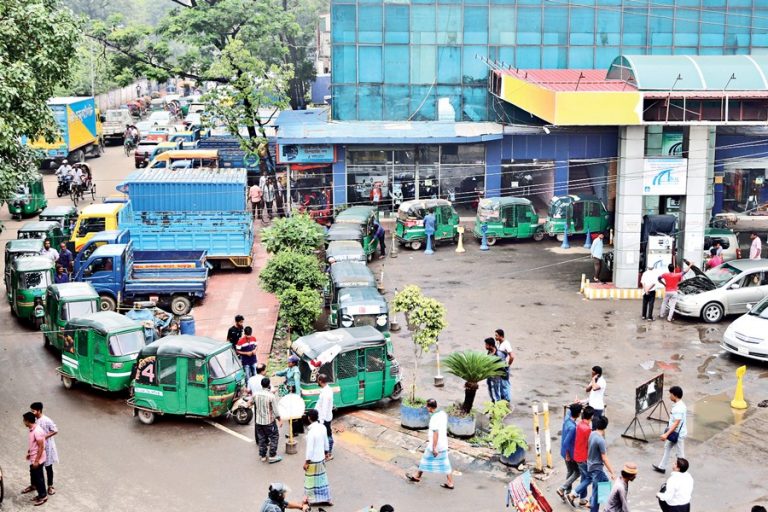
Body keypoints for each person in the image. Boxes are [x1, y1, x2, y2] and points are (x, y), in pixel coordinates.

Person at [406, 399, 454, 490]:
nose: (426, 408)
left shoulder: (434, 419)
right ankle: (450, 482)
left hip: (436, 444)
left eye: (427, 406)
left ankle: (417, 476)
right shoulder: (443, 413)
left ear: (429, 407)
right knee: (445, 463)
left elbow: (436, 433)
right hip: (443, 442)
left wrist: (434, 447)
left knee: (425, 459)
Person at [653, 386, 687, 474]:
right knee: (667, 447)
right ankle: (662, 467)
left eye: (670, 394)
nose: (669, 396)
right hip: (673, 433)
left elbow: (676, 423)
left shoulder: (678, 408)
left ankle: (682, 472)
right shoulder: (680, 405)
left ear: (675, 395)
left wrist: (666, 434)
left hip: (677, 435)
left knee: (680, 455)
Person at [585, 415, 615, 512]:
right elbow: (604, 458)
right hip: (597, 468)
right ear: (605, 426)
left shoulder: (592, 433)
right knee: (597, 490)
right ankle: (593, 504)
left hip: (590, 465)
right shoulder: (601, 440)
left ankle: (595, 502)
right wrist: (612, 472)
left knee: (602, 484)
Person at [250, 377, 282, 464]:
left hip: (258, 422)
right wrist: (280, 419)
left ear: (261, 385)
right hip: (269, 422)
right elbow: (276, 411)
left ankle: (263, 456)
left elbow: (250, 403)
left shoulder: (255, 394)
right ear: (269, 385)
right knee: (274, 437)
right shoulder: (271, 396)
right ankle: (272, 456)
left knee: (262, 438)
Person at [567, 406, 594, 508]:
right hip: (583, 457)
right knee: (589, 478)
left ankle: (582, 499)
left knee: (584, 476)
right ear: (591, 416)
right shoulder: (588, 429)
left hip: (577, 454)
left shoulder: (580, 424)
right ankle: (573, 494)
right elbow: (589, 445)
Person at [304, 409, 332, 506]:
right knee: (322, 480)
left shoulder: (311, 432)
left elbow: (310, 449)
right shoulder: (322, 427)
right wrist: (327, 452)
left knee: (310, 481)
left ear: (309, 418)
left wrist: (306, 462)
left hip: (313, 461)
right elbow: (326, 441)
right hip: (321, 459)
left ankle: (310, 500)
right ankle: (326, 499)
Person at [30, 402, 58, 496]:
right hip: (37, 447)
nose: (32, 412)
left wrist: (44, 437)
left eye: (33, 411)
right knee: (34, 466)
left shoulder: (47, 420)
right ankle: (33, 485)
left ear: (39, 410)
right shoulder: (34, 419)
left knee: (48, 467)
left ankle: (50, 486)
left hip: (47, 446)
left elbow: (55, 430)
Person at [556, 402, 583, 502]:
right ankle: (562, 488)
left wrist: (576, 402)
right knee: (577, 472)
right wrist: (568, 455)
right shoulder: (573, 428)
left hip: (564, 452)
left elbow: (569, 410)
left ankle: (567, 492)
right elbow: (566, 442)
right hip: (569, 453)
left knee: (570, 471)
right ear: (579, 414)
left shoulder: (567, 418)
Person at [22, 411, 48, 506]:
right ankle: (35, 487)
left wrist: (37, 461)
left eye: (24, 420)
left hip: (38, 459)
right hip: (33, 457)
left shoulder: (37, 431)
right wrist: (29, 452)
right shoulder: (32, 429)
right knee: (33, 473)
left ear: (28, 421)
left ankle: (43, 496)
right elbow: (34, 444)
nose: (23, 422)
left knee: (39, 478)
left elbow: (41, 447)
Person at [276, 355, 304, 435]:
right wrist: (275, 373)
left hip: (293, 393)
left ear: (294, 363)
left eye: (289, 362)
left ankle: (294, 432)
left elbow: (297, 384)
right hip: (289, 392)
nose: (288, 362)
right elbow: (282, 372)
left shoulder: (296, 372)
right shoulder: (289, 369)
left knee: (292, 411)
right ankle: (296, 430)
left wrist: (297, 397)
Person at [315, 373, 334, 459]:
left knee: (327, 435)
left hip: (325, 418)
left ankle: (328, 454)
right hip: (324, 417)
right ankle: (326, 452)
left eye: (318, 380)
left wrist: (321, 420)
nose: (317, 382)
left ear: (321, 381)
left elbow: (325, 408)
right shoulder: (326, 390)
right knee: (326, 435)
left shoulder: (326, 393)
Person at [494, 328, 515, 402]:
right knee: (500, 384)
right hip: (498, 367)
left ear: (501, 336)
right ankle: (503, 400)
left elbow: (512, 356)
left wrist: (508, 365)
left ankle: (507, 400)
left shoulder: (506, 344)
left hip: (503, 367)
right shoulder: (498, 343)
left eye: (496, 336)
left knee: (505, 384)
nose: (495, 337)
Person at [484, 338, 502, 402]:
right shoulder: (489, 352)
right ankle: (493, 402)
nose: (485, 346)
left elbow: (501, 365)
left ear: (491, 345)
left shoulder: (498, 354)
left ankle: (498, 405)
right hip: (489, 375)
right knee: (490, 389)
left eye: (486, 345)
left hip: (496, 376)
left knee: (496, 390)